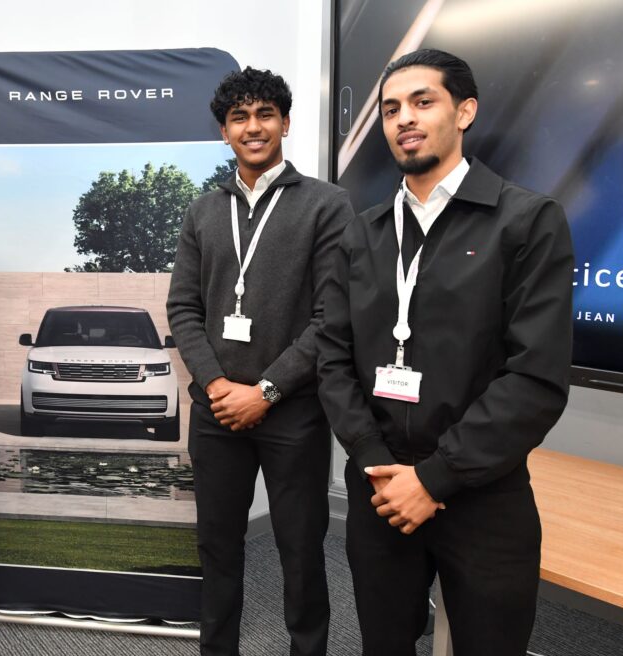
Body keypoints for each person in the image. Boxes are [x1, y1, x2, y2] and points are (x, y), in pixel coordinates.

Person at [317, 49, 574, 655]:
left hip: (482, 493)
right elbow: (333, 358)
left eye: (422, 101)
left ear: (465, 111)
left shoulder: (525, 221)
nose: (404, 118)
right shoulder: (362, 233)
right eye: (390, 109)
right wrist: (375, 461)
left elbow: (535, 378)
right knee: (384, 644)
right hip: (380, 487)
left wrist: (435, 478)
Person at [167, 67, 355, 656]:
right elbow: (183, 308)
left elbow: (332, 317)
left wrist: (266, 391)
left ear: (285, 123)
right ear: (224, 132)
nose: (253, 127)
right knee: (217, 544)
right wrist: (216, 384)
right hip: (216, 411)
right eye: (240, 117)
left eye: (265, 114)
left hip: (293, 413)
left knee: (300, 547)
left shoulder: (327, 205)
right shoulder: (202, 210)